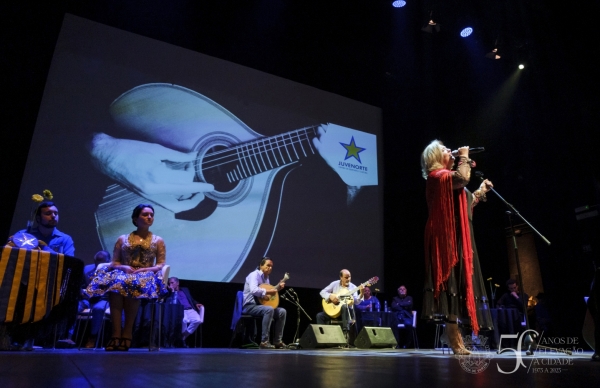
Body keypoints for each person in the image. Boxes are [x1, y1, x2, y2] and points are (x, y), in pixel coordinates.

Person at [420, 141, 494, 355]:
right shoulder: (437, 178)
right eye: (444, 149)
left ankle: (454, 333)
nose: (449, 150)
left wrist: (481, 191)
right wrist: (463, 156)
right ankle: (452, 335)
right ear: (434, 157)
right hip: (445, 237)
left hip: (460, 236)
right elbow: (462, 178)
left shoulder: (449, 181)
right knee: (451, 281)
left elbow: (466, 205)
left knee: (459, 282)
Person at [85, 204, 167, 351]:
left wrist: (145, 269)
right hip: (124, 272)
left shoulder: (158, 240)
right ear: (136, 218)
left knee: (132, 282)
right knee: (117, 283)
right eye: (145, 214)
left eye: (151, 215)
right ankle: (116, 333)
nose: (149, 217)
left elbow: (160, 264)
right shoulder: (123, 239)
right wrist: (124, 267)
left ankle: (127, 333)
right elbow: (114, 261)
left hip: (145, 274)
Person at [241, 257, 287, 349]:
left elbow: (268, 295)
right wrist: (269, 292)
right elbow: (254, 290)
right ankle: (264, 341)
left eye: (271, 266)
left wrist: (278, 288)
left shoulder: (266, 278)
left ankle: (277, 341)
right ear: (261, 266)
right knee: (269, 310)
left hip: (261, 306)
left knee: (282, 311)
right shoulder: (254, 275)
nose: (270, 268)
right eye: (268, 265)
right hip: (250, 306)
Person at [316, 269, 364, 345]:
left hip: (346, 314)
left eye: (349, 277)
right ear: (341, 277)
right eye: (346, 277)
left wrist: (361, 293)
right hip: (334, 312)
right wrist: (330, 296)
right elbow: (322, 292)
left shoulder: (353, 287)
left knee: (344, 306)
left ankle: (345, 336)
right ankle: (323, 339)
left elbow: (357, 302)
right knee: (319, 316)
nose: (348, 279)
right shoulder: (335, 284)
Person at [167, 277, 204, 346]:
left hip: (190, 309)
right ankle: (182, 340)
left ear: (177, 283)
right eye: (169, 283)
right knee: (184, 320)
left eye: (172, 283)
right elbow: (172, 302)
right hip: (181, 310)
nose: (170, 285)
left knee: (198, 320)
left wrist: (196, 303)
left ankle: (182, 337)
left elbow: (191, 299)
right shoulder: (169, 293)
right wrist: (172, 292)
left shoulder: (185, 289)